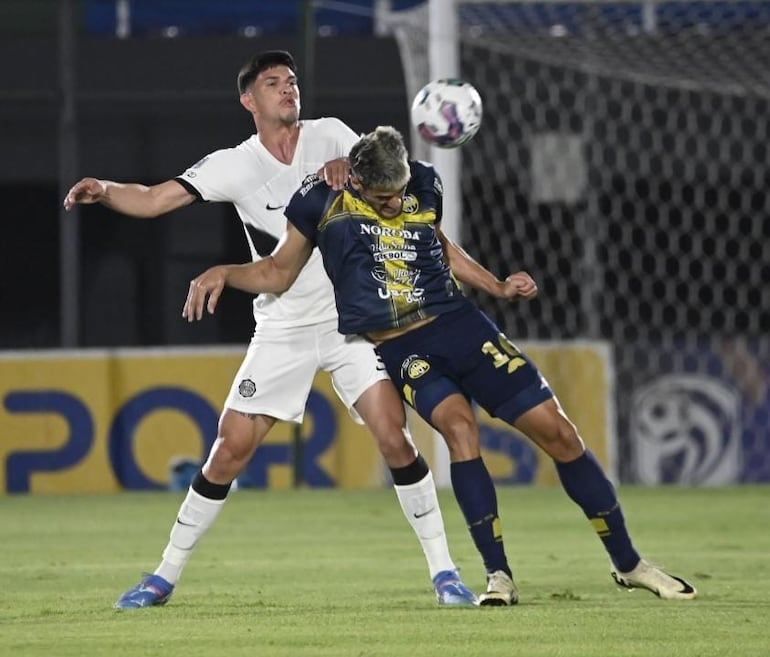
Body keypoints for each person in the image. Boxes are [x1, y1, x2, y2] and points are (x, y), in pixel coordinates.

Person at [183, 125, 698, 605]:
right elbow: (277, 271)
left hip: (461, 326)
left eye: (399, 194)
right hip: (405, 349)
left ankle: (629, 564)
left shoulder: (423, 183)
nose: (394, 205)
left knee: (561, 434)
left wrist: (496, 285)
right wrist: (224, 272)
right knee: (460, 430)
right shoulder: (319, 201)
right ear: (357, 181)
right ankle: (498, 576)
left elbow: (440, 245)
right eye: (383, 198)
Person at [63, 52, 477, 608]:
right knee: (228, 450)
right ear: (249, 101)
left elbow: (382, 172)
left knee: (393, 436)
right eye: (273, 83)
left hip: (349, 322)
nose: (288, 90)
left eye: (292, 81)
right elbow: (158, 197)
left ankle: (445, 573)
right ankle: (162, 576)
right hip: (281, 325)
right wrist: (107, 190)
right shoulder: (235, 165)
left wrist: (348, 169)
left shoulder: (331, 134)